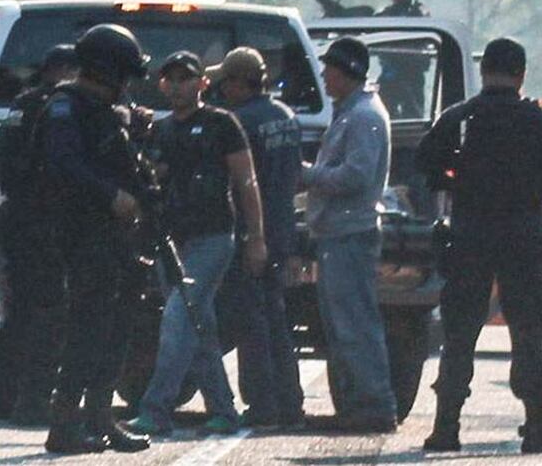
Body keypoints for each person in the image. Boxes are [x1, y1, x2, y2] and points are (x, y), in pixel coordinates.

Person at [416, 37, 542, 454]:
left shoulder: (461, 117)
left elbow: (426, 164)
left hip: (470, 235)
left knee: (460, 335)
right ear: (522, 73)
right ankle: (538, 428)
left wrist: (458, 180)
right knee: (528, 333)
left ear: (484, 72)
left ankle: (446, 428)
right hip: (524, 238)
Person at [127, 50, 268, 436]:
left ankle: (155, 409)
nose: (176, 86)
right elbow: (151, 181)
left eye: (185, 78)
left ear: (203, 83)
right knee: (198, 324)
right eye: (169, 79)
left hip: (214, 237)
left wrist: (256, 238)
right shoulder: (161, 129)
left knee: (177, 318)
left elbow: (246, 181)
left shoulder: (222, 124)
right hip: (171, 239)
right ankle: (224, 409)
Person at [38, 25, 152, 454]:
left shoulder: (107, 110)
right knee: (87, 329)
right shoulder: (66, 107)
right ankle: (65, 423)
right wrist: (112, 197)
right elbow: (64, 164)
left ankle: (101, 418)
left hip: (114, 236)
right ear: (108, 71)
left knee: (113, 328)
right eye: (124, 74)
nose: (127, 85)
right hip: (81, 233)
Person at [301, 36, 398, 432]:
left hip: (350, 233)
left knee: (355, 323)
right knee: (343, 323)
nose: (324, 74)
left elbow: (357, 175)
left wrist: (308, 175)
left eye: (331, 68)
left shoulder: (363, 116)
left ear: (348, 72)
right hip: (337, 233)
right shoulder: (349, 112)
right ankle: (355, 406)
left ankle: (374, 407)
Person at [209, 47, 306, 428]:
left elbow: (238, 182)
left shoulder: (239, 122)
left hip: (251, 232)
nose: (221, 89)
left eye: (225, 82)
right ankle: (290, 403)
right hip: (282, 229)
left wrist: (250, 235)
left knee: (250, 322)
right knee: (276, 321)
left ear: (238, 82)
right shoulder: (286, 116)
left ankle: (263, 404)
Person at [0, 44, 78, 426]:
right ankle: (30, 397)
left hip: (22, 216)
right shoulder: (59, 107)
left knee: (25, 308)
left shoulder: (23, 105)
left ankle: (6, 392)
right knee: (48, 310)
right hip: (45, 219)